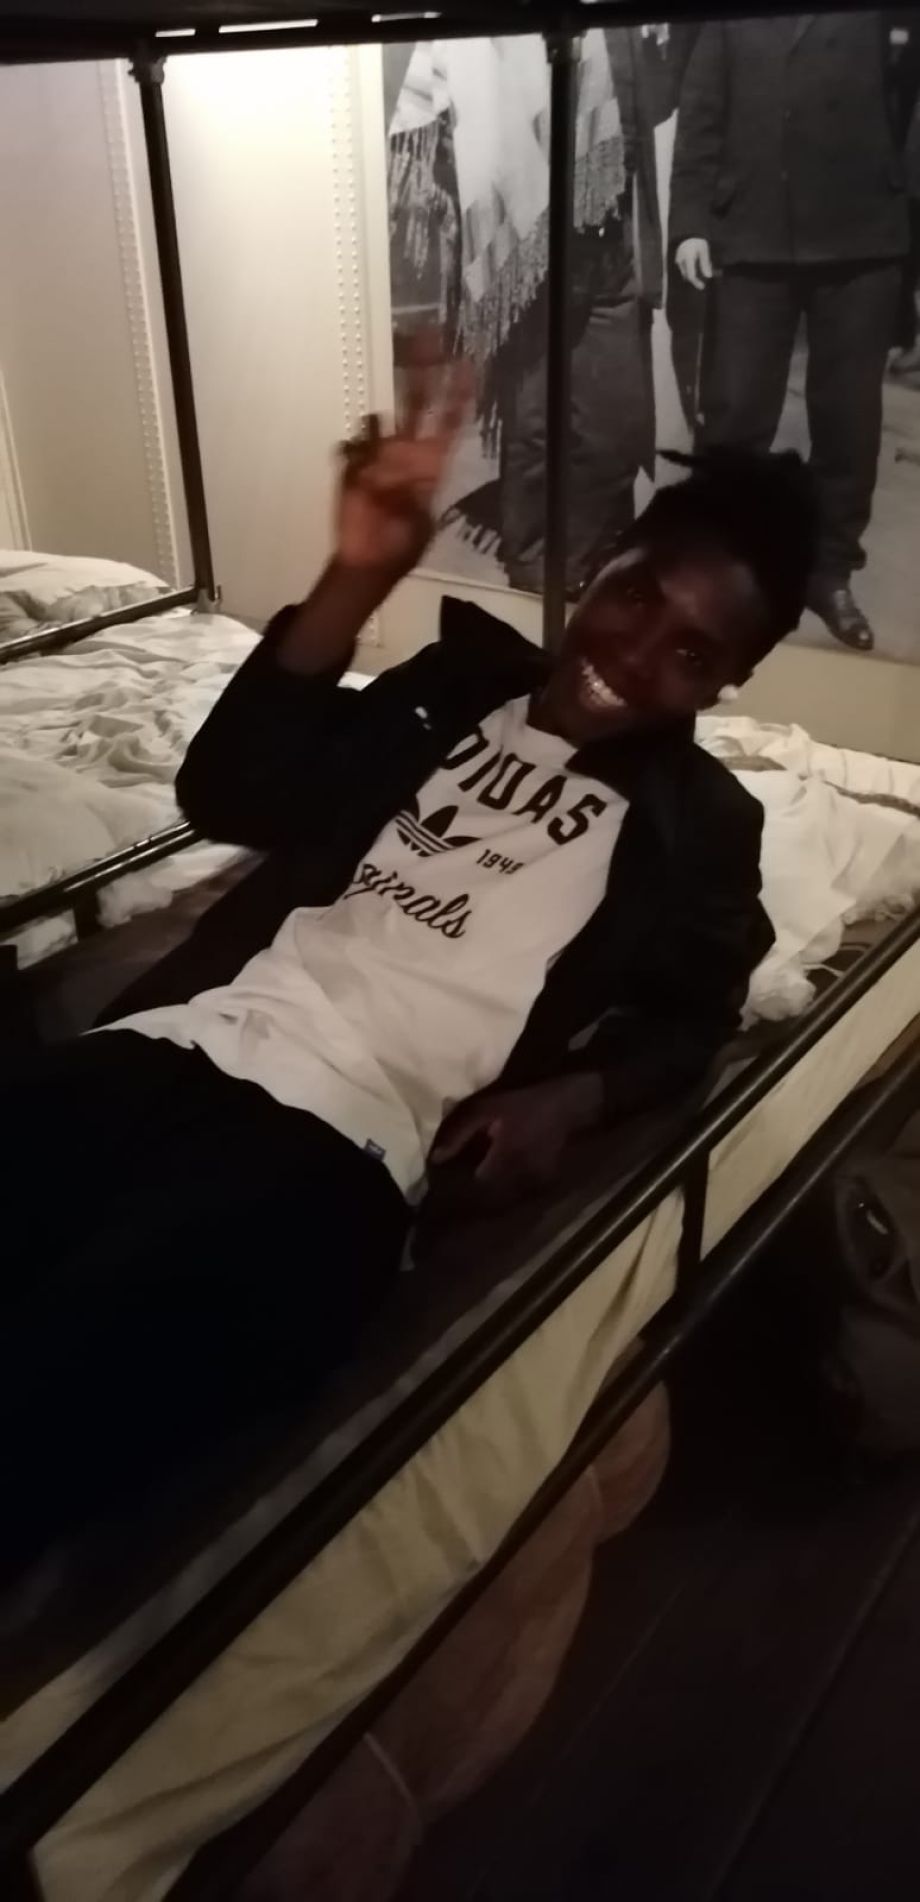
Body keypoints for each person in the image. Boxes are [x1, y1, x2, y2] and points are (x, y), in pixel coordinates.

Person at [3, 352, 817, 1570]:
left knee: (65, 1375)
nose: (637, 651)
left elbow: (688, 1019)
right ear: (602, 564)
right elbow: (231, 792)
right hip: (189, 1037)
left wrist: (570, 1096)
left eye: (693, 655)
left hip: (346, 1145)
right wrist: (358, 576)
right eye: (636, 597)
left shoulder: (698, 824)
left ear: (730, 682)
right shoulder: (450, 688)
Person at [387, 30, 665, 595]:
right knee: (534, 427)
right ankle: (535, 567)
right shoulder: (492, 30)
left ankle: (573, 557)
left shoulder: (616, 24)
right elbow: (441, 116)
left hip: (608, 243)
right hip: (527, 250)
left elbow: (650, 108)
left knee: (618, 429)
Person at [670, 13, 910, 652]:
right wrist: (691, 222)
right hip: (752, 228)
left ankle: (829, 572)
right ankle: (720, 560)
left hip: (861, 234)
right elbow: (702, 109)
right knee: (735, 412)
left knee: (848, 421)